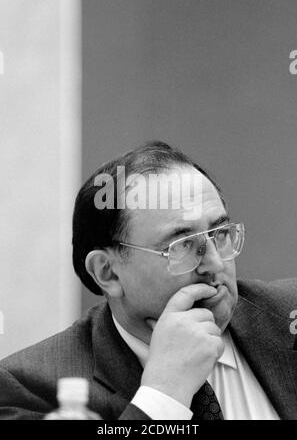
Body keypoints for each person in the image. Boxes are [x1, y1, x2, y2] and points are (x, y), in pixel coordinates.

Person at [0, 141, 296, 420]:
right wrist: (164, 393)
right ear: (108, 272)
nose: (215, 264)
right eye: (182, 245)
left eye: (219, 234)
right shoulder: (30, 388)